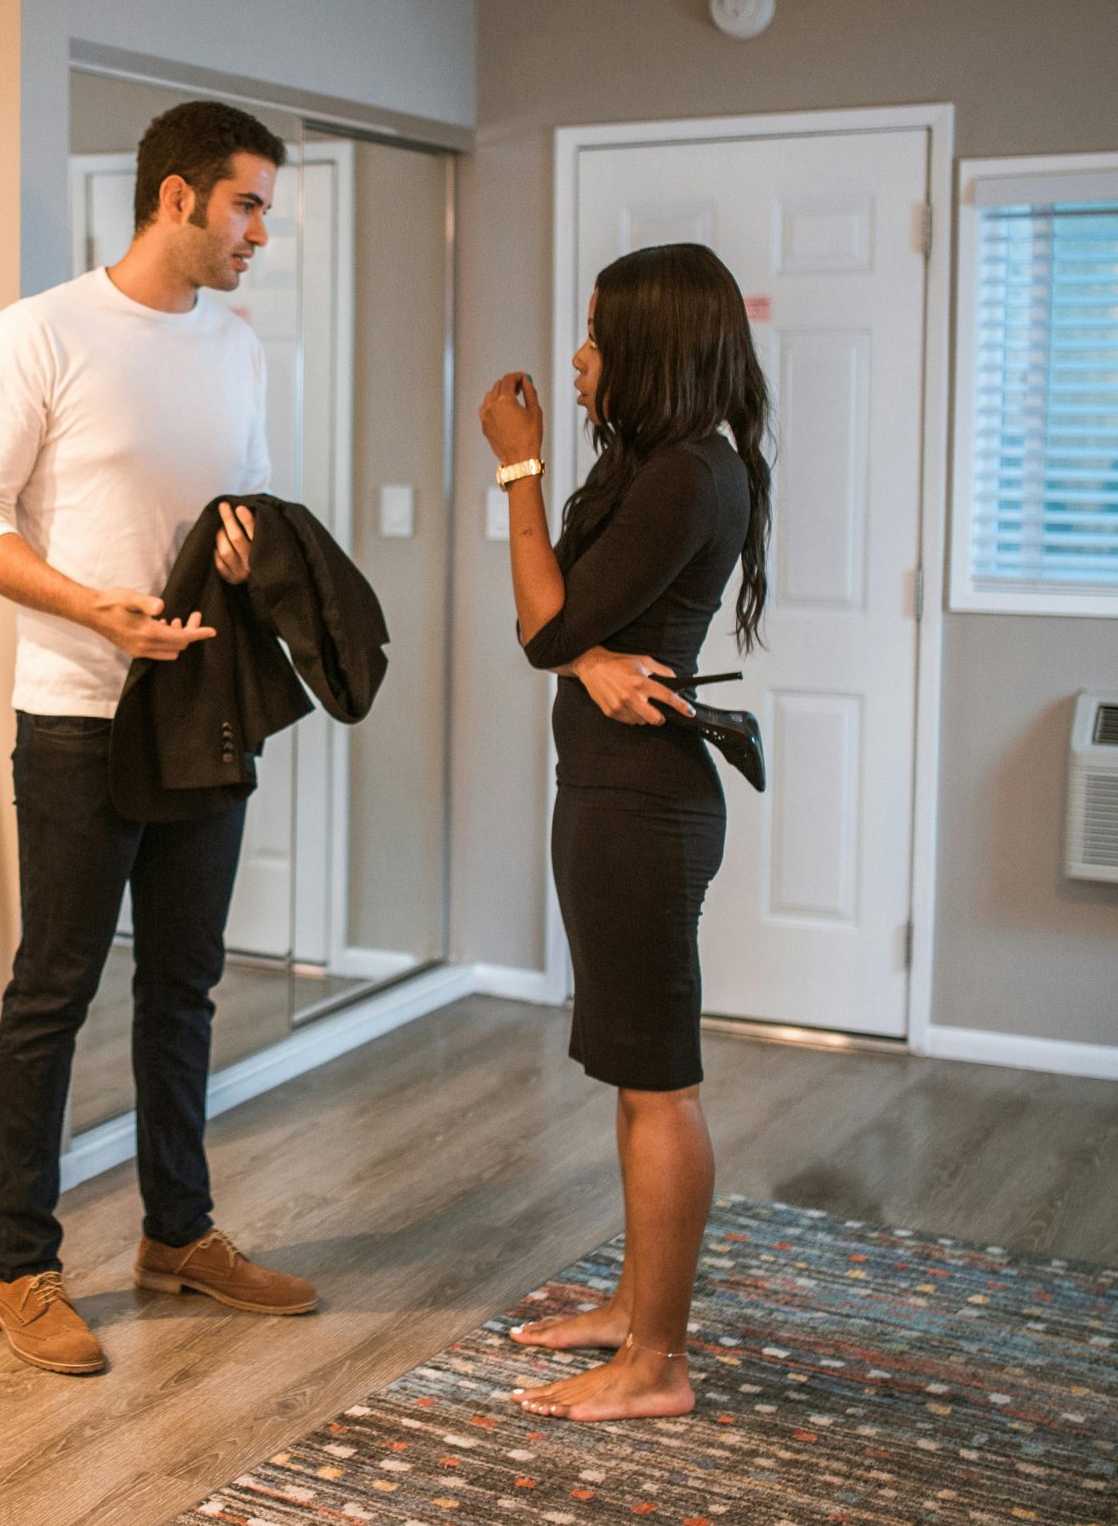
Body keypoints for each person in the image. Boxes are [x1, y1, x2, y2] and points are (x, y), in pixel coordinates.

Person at [0, 100, 321, 1377]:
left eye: (264, 206)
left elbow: (245, 496)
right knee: (53, 992)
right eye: (249, 204)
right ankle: (20, 1269)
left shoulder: (236, 342)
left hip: (201, 715)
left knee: (186, 990)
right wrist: (88, 605)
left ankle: (177, 1235)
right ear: (176, 198)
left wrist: (245, 547)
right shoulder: (40, 331)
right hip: (76, 718)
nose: (262, 230)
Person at [476, 241, 772, 1422]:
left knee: (661, 1086)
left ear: (650, 344)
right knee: (634, 1070)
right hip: (616, 791)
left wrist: (517, 471)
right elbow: (570, 633)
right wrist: (587, 650)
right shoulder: (665, 465)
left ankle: (657, 1364)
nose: (578, 355)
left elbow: (540, 621)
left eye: (596, 335)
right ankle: (634, 1310)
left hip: (640, 806)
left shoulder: (689, 476)